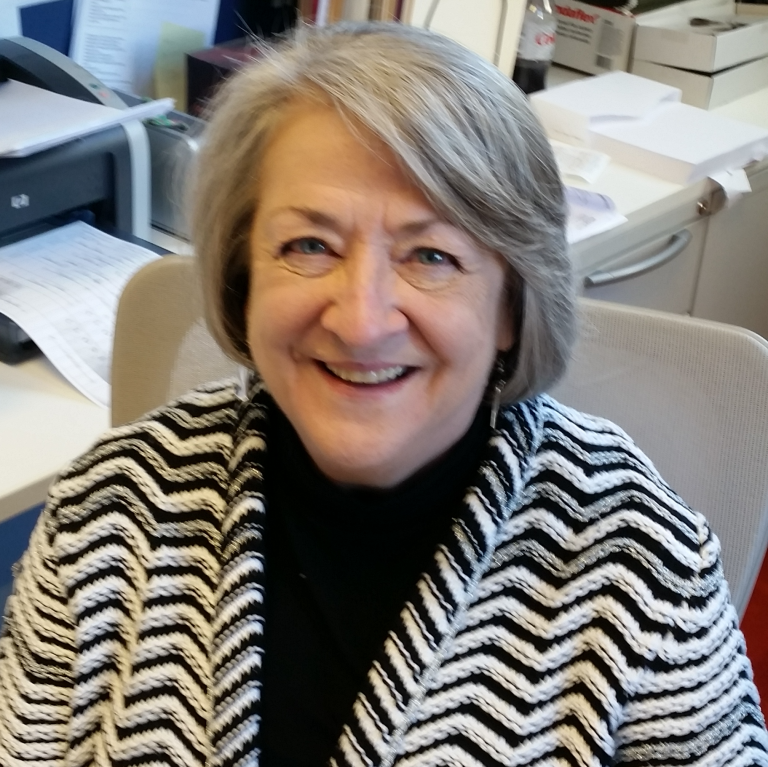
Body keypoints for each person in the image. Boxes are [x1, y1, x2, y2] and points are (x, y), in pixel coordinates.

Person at [0, 21, 766, 767]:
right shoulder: (107, 507)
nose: (361, 321)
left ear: (511, 305)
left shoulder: (641, 555)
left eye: (431, 255)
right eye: (309, 245)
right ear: (243, 279)